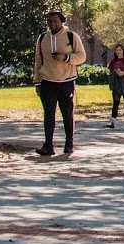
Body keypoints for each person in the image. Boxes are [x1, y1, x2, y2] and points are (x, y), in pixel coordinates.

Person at [33, 10, 85, 156]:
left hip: (66, 81)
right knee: (49, 113)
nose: (52, 23)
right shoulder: (42, 38)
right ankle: (48, 145)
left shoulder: (71, 36)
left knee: (67, 113)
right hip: (47, 81)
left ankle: (69, 143)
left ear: (61, 21)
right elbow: (38, 61)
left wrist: (66, 58)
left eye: (55, 20)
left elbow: (81, 56)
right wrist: (37, 82)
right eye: (49, 21)